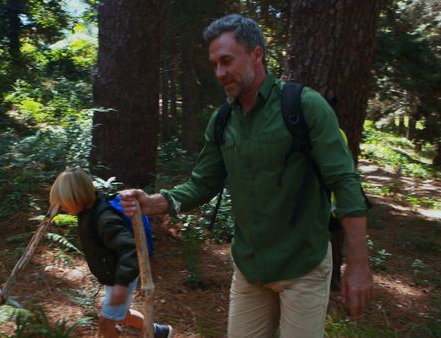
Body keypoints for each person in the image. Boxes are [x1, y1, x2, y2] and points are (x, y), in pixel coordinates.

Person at [120, 14, 373, 338]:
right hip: (250, 267)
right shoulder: (223, 120)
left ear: (256, 53)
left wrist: (358, 264)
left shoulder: (305, 106)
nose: (220, 73)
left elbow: (345, 181)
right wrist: (155, 202)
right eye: (214, 64)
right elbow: (203, 182)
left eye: (226, 60)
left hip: (304, 264)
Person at [49, 168, 172, 338]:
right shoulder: (87, 211)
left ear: (77, 197)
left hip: (121, 275)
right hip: (114, 274)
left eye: (64, 202)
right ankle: (160, 331)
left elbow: (130, 249)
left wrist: (121, 285)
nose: (62, 207)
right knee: (122, 314)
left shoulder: (104, 218)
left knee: (106, 322)